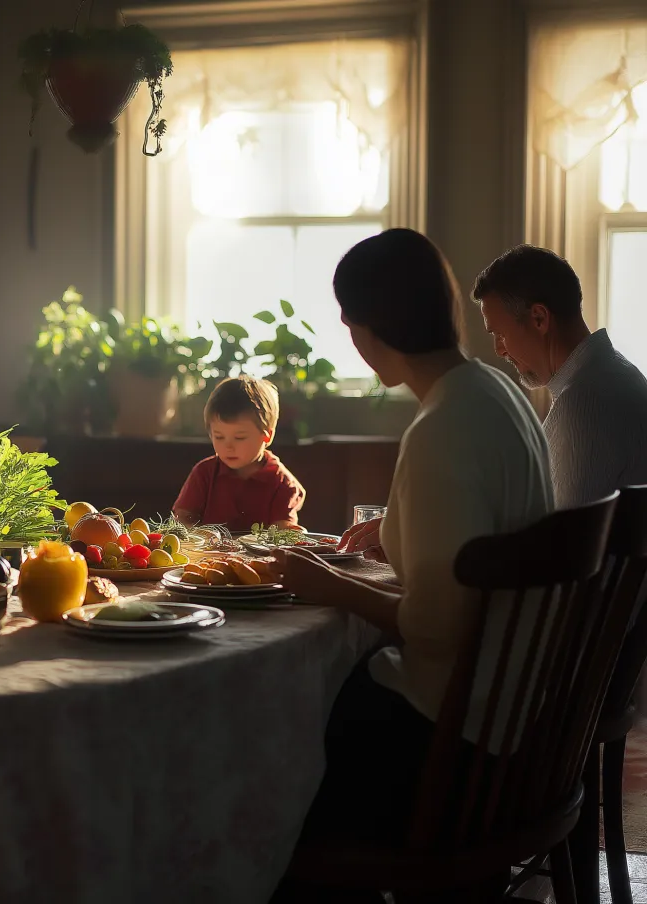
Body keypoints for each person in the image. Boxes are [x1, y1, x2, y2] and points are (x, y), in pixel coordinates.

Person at [274, 229, 552, 898]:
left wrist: (326, 582)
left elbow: (435, 628)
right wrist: (398, 528)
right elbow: (481, 523)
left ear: (366, 326)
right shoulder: (494, 392)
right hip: (520, 717)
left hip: (458, 740)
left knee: (288, 759)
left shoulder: (439, 430)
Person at [473, 243, 647, 508]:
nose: (499, 350)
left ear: (539, 318)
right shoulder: (619, 374)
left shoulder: (584, 403)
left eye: (500, 334)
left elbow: (565, 542)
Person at [172, 375, 305, 531]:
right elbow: (182, 518)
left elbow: (283, 529)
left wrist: (291, 531)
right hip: (208, 554)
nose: (228, 446)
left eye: (239, 437)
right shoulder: (204, 473)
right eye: (219, 437)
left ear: (267, 435)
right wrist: (195, 532)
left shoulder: (283, 483)